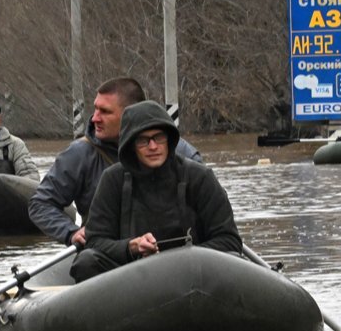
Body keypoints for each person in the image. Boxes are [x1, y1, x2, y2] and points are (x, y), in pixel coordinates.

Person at [73, 101, 242, 283]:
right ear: (130, 145)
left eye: (159, 137)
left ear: (169, 139)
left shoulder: (200, 177)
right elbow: (95, 240)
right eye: (143, 140)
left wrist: (179, 258)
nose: (153, 147)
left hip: (193, 275)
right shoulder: (113, 180)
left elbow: (229, 241)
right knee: (86, 262)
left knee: (235, 261)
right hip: (131, 277)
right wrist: (132, 247)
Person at [29, 77, 203, 247]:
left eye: (105, 112)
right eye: (95, 109)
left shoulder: (183, 154)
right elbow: (41, 203)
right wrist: (70, 232)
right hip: (110, 255)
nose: (94, 118)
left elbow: (211, 208)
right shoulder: (79, 154)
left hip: (177, 252)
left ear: (130, 114)